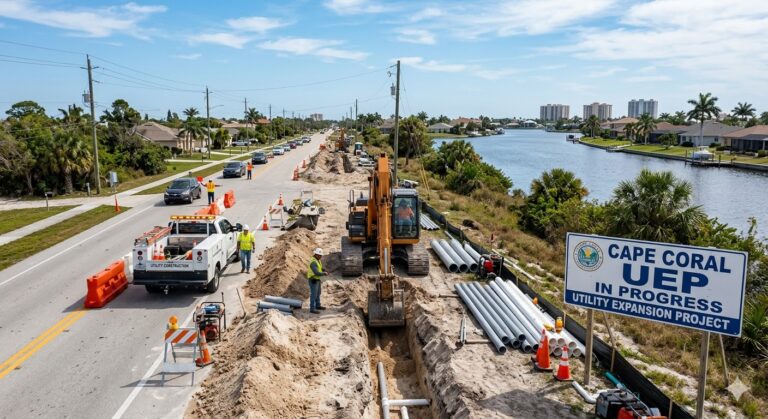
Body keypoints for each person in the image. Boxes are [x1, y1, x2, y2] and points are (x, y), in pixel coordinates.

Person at [306, 248, 328, 314]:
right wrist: (324, 273)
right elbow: (316, 272)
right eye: (320, 255)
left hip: (317, 279)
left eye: (321, 255)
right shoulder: (313, 262)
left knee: (318, 293)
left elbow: (318, 268)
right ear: (316, 254)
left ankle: (318, 305)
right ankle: (312, 308)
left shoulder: (317, 260)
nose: (321, 256)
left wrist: (322, 269)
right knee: (314, 294)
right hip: (313, 280)